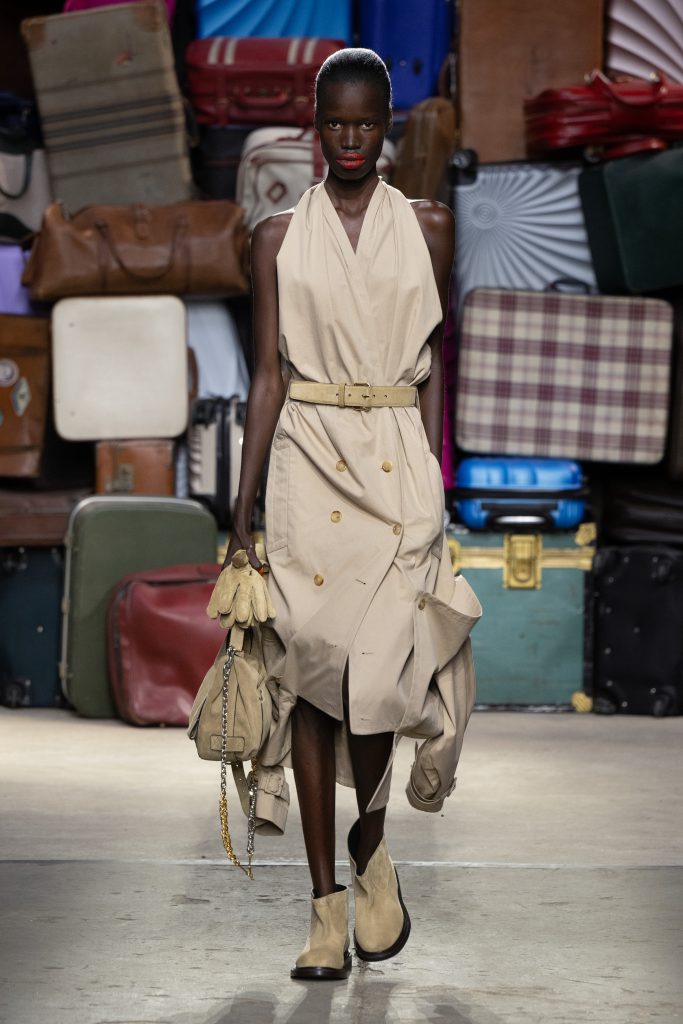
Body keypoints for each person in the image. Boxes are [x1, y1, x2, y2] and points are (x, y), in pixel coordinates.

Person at [224, 47, 480, 982]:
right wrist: (242, 503)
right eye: (334, 123)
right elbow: (264, 376)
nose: (349, 139)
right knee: (307, 677)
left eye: (366, 123)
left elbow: (435, 359)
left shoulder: (430, 227)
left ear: (387, 127)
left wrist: (435, 473)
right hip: (307, 462)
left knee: (376, 681)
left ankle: (371, 850)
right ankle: (324, 908)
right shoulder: (274, 238)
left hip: (395, 464)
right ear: (314, 126)